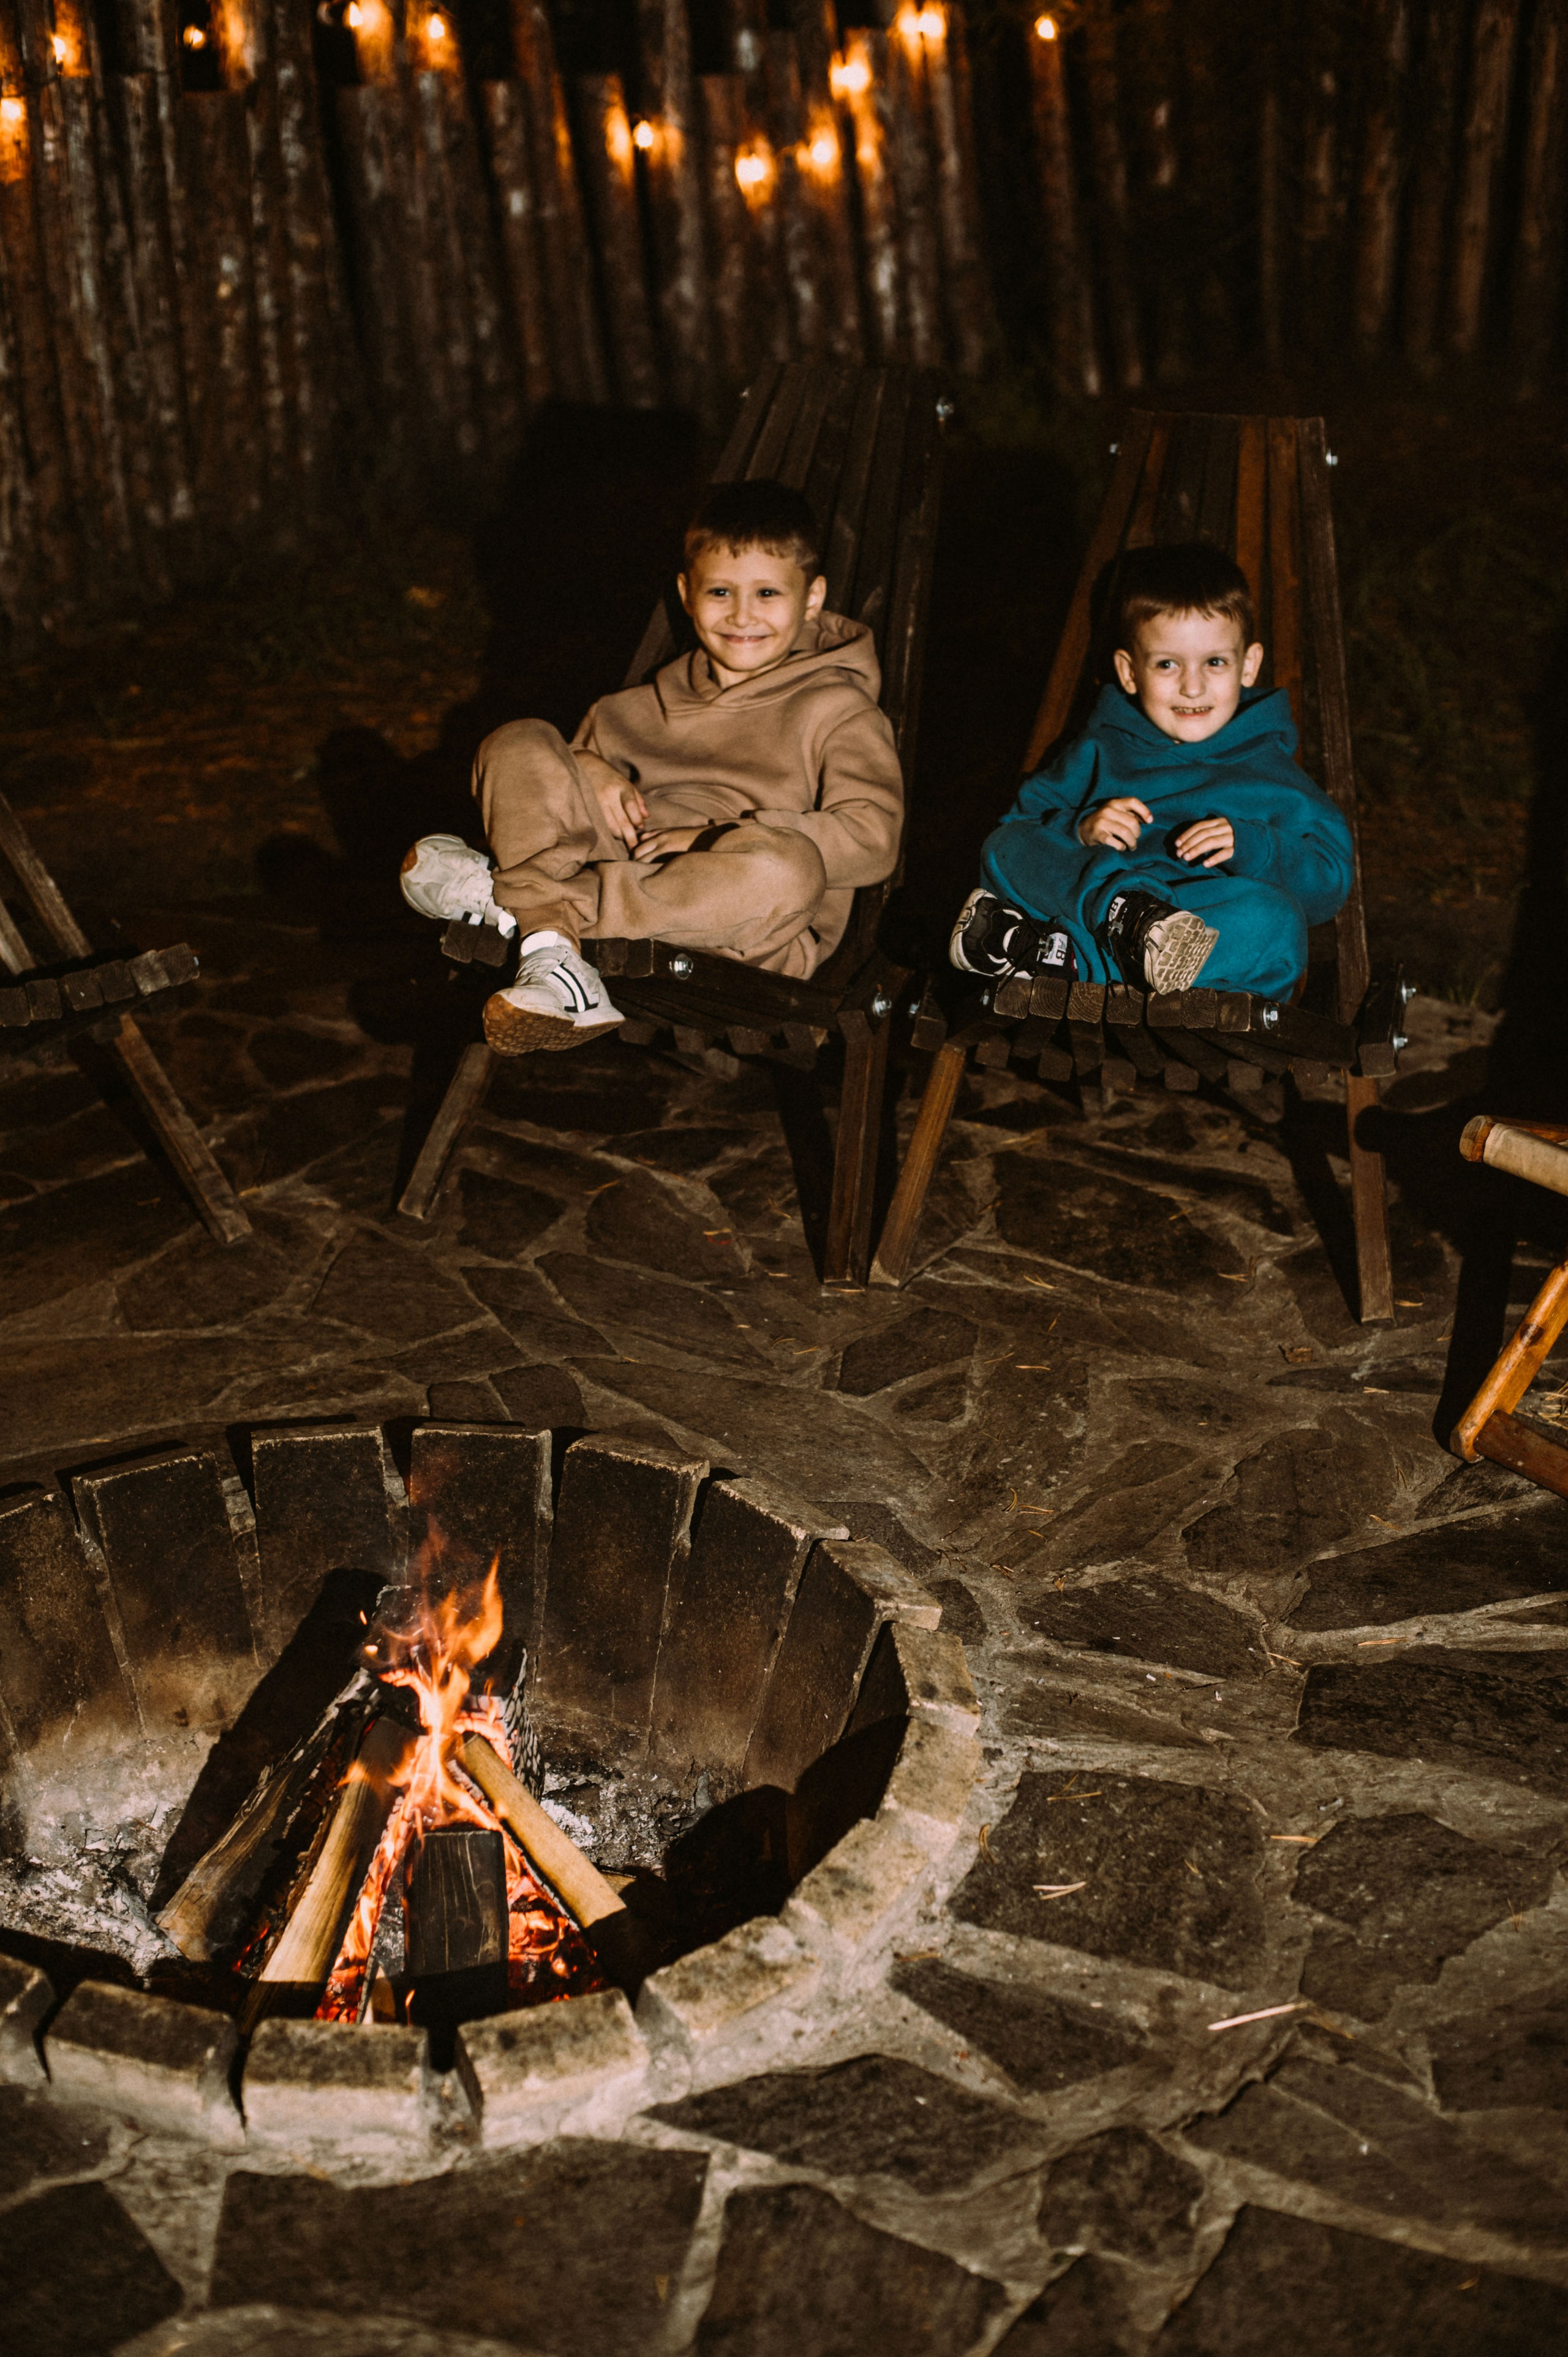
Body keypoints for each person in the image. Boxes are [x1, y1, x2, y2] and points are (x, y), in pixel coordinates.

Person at [399, 480, 904, 1052]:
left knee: (787, 867)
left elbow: (873, 838)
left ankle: (512, 902)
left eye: (767, 593)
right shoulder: (629, 710)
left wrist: (716, 836)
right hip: (625, 882)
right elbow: (546, 807)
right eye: (720, 592)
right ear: (687, 595)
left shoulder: (839, 710)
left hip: (745, 928)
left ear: (812, 599)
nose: (742, 615)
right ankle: (557, 961)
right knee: (518, 740)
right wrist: (587, 762)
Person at [951, 541, 1354, 1001]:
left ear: (1249, 666)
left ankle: (1048, 956)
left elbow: (1329, 887)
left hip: (1200, 937)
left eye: (1215, 662)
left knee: (1276, 919)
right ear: (1128, 672)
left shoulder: (1274, 776)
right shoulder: (1100, 751)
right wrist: (1078, 830)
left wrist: (1255, 846)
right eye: (1167, 664)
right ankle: (1126, 915)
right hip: (1097, 910)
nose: (1192, 685)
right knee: (1007, 845)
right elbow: (1018, 832)